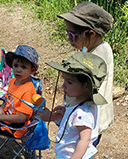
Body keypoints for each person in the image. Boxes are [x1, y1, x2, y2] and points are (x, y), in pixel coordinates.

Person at [40, 1, 114, 147]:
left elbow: (82, 92)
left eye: (72, 35)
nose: (68, 39)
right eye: (67, 34)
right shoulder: (94, 49)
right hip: (82, 115)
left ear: (91, 34)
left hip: (87, 122)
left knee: (75, 158)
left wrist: (61, 114)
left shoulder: (96, 58)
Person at [44, 52, 107, 159]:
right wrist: (65, 113)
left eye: (70, 82)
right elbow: (75, 123)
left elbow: (84, 140)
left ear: (86, 85)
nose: (63, 85)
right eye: (64, 80)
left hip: (72, 158)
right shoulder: (82, 103)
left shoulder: (82, 113)